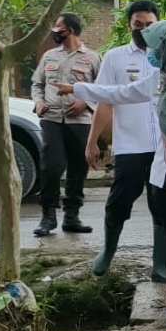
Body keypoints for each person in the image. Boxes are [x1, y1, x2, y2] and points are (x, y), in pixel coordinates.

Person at [65, 21, 166, 331]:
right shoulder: (159, 79)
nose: (150, 54)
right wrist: (77, 88)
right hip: (165, 178)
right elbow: (121, 92)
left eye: (155, 47)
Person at [85, 0, 166, 281]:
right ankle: (108, 250)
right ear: (129, 26)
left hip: (163, 148)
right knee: (119, 202)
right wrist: (93, 141)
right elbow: (105, 102)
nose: (144, 30)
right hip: (130, 145)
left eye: (150, 25)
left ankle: (160, 263)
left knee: (163, 205)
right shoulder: (116, 58)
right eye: (138, 25)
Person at [31, 12, 101, 237]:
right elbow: (37, 84)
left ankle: (72, 217)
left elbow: (103, 89)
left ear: (69, 30)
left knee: (78, 169)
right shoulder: (49, 56)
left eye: (58, 27)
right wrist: (39, 102)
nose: (55, 31)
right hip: (52, 119)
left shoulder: (92, 57)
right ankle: (48, 216)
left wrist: (86, 102)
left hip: (80, 122)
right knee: (51, 166)